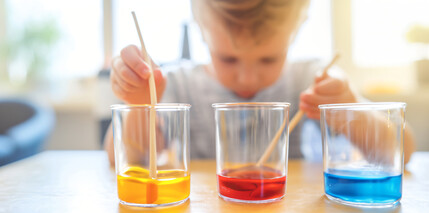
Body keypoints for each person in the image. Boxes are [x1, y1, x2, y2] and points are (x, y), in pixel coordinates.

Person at [104, 0, 415, 166]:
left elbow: (402, 151)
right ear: (199, 27)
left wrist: (347, 108)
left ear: (296, 30)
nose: (248, 78)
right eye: (227, 58)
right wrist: (140, 104)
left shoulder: (312, 79)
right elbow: (121, 157)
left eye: (268, 59)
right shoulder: (177, 85)